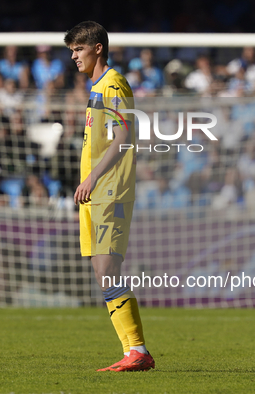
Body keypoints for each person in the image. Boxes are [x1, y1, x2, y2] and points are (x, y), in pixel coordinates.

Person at [65, 21, 154, 372]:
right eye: (71, 51)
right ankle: (134, 351)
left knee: (107, 267)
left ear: (97, 48)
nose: (74, 57)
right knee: (102, 271)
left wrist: (92, 177)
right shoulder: (97, 87)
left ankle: (138, 351)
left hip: (110, 188)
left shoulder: (113, 83)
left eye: (78, 49)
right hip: (95, 193)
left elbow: (123, 134)